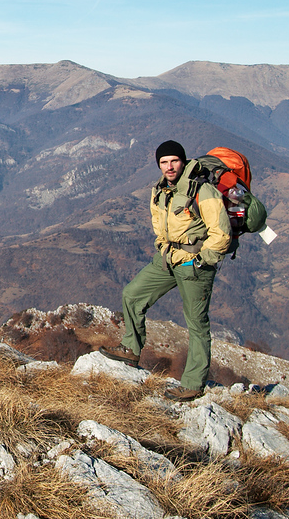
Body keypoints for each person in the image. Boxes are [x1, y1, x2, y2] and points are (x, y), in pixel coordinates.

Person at [100, 140, 232, 401]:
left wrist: (201, 260)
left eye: (174, 161)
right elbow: (158, 224)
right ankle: (130, 347)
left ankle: (193, 384)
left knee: (196, 324)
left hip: (194, 264)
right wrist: (162, 247)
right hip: (168, 259)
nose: (169, 167)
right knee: (133, 294)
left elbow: (222, 233)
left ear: (182, 161)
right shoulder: (160, 190)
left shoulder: (201, 190)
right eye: (164, 162)